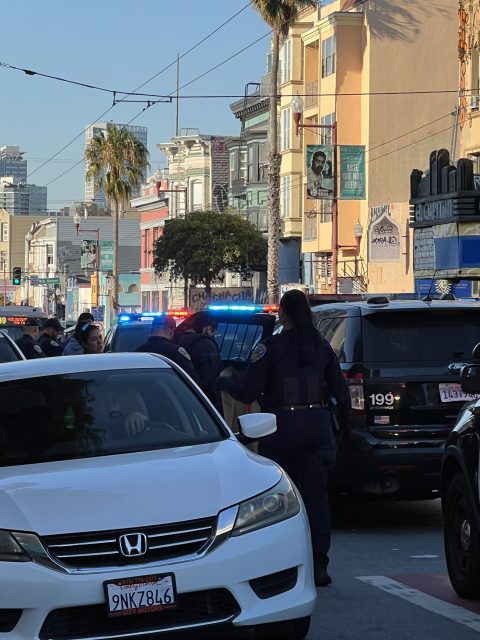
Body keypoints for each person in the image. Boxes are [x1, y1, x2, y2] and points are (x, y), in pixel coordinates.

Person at [219, 289, 350, 587]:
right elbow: (341, 393)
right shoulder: (322, 347)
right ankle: (319, 565)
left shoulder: (269, 348)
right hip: (318, 427)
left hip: (281, 429)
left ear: (283, 314)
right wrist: (345, 430)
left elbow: (249, 392)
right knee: (317, 500)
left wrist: (227, 381)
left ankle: (282, 565)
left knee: (278, 502)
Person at [175, 311, 223, 412]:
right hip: (204, 402)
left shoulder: (177, 340)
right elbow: (210, 374)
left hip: (180, 399)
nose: (213, 335)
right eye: (213, 332)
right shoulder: (205, 343)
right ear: (209, 328)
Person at [136, 314, 199, 382]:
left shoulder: (139, 353)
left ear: (151, 331)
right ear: (172, 331)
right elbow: (192, 380)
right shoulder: (176, 352)